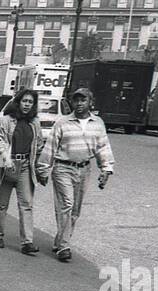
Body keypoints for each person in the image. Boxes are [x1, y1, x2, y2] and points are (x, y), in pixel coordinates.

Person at [36, 87, 115, 262]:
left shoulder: (98, 123)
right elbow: (50, 147)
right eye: (76, 100)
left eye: (83, 100)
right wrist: (43, 169)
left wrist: (106, 169)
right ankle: (64, 246)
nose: (79, 104)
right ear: (71, 102)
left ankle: (59, 241)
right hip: (63, 168)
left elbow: (103, 147)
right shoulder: (62, 123)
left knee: (75, 210)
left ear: (90, 102)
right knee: (66, 204)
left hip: (84, 170)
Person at [0, 89, 45, 255]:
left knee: (26, 205)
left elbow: (40, 144)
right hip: (8, 165)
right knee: (1, 204)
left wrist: (40, 168)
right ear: (18, 102)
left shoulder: (34, 123)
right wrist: (6, 158)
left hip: (25, 167)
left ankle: (27, 242)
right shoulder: (6, 121)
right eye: (24, 101)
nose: (27, 105)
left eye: (30, 102)